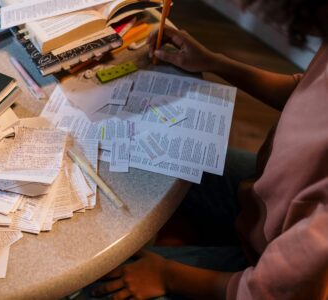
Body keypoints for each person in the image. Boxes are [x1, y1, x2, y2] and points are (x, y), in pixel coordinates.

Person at [90, 0, 328, 299]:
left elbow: (270, 293)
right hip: (261, 200)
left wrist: (166, 275)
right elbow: (306, 91)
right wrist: (214, 62)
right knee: (147, 158)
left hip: (262, 275)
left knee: (96, 286)